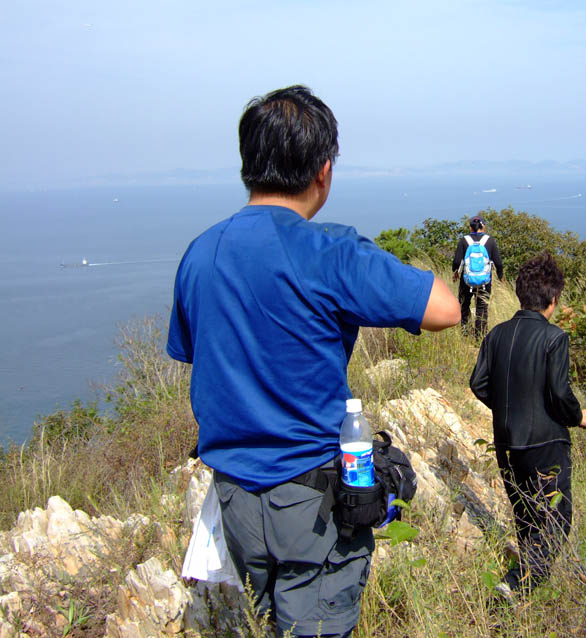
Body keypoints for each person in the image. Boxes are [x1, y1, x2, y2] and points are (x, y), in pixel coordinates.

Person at [167, 85, 460, 638]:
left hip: (234, 500)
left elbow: (198, 355)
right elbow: (445, 309)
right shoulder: (331, 252)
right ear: (323, 171)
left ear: (248, 163)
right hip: (313, 505)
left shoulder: (200, 253)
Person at [469, 252, 586, 597]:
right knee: (555, 520)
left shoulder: (496, 334)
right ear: (553, 300)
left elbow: (478, 383)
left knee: (525, 515)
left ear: (521, 294)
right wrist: (579, 416)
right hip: (545, 445)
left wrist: (508, 406)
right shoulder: (555, 338)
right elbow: (559, 393)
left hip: (507, 443)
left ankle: (518, 594)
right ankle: (514, 588)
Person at [452, 215, 504, 339]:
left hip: (466, 280)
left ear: (470, 227)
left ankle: (465, 333)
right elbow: (498, 262)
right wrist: (500, 276)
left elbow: (457, 261)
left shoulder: (464, 240)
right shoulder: (490, 241)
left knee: (464, 305)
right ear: (483, 226)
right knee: (482, 307)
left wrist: (455, 272)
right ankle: (480, 337)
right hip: (484, 282)